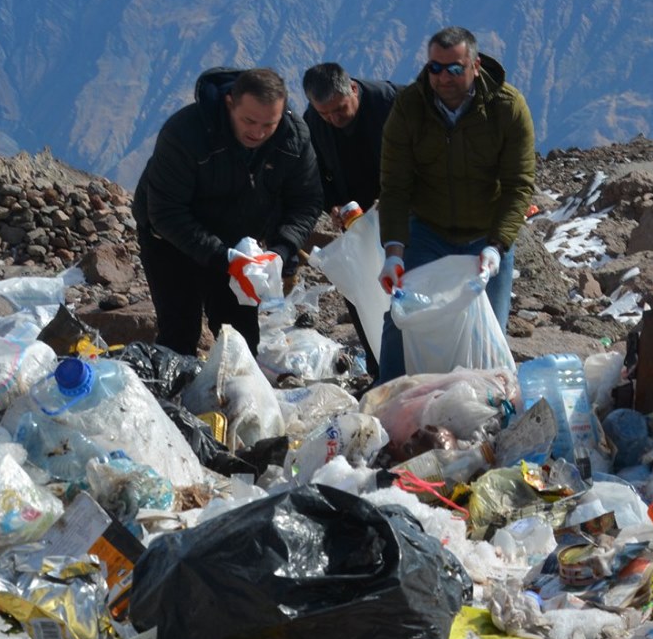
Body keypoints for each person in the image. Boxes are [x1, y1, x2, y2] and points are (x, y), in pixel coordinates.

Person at [374, 26, 537, 381]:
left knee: (488, 331)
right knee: (403, 321)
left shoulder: (506, 107)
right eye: (435, 68)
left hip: (486, 235)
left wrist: (498, 245)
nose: (443, 77)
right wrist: (394, 252)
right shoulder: (410, 107)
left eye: (454, 68)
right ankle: (389, 399)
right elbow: (395, 186)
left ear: (475, 66)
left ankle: (482, 404)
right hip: (428, 231)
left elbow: (518, 184)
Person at [133, 67, 322, 355]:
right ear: (230, 103)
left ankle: (234, 384)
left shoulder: (292, 138)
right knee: (179, 333)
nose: (258, 132)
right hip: (171, 241)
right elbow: (166, 212)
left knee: (240, 339)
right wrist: (224, 258)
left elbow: (306, 200)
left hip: (237, 242)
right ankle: (173, 382)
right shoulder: (185, 134)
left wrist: (281, 250)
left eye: (269, 124)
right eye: (249, 121)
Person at [301, 62, 401, 222]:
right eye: (325, 113)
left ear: (353, 89)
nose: (334, 119)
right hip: (356, 216)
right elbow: (313, 173)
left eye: (340, 109)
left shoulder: (392, 104)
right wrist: (333, 205)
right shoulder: (313, 121)